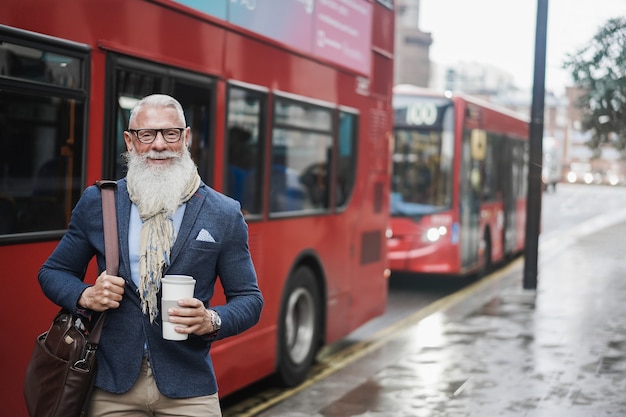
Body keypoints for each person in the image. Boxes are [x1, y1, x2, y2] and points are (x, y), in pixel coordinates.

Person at [38, 94, 264, 417]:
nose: (159, 144)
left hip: (189, 386)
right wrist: (86, 295)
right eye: (147, 135)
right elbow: (52, 272)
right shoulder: (100, 202)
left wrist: (211, 320)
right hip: (111, 384)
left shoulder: (223, 213)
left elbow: (250, 299)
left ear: (185, 138)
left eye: (170, 133)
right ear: (130, 142)